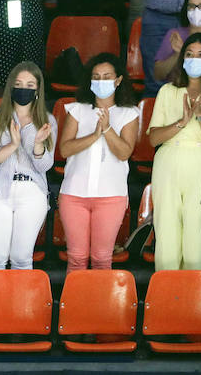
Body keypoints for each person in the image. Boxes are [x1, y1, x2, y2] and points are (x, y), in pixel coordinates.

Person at [147, 32, 201, 270]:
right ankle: (166, 296)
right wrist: (181, 123)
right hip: (168, 164)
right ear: (182, 59)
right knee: (166, 233)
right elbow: (154, 139)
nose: (194, 59)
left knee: (197, 234)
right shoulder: (167, 91)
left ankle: (192, 300)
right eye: (189, 54)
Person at [58, 53, 141, 270]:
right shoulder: (77, 110)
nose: (101, 81)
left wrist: (107, 129)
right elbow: (65, 149)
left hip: (110, 195)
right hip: (74, 193)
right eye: (96, 76)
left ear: (118, 80)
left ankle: (99, 305)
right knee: (76, 257)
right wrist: (93, 136)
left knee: (102, 258)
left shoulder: (128, 113)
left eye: (106, 77)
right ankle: (74, 304)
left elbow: (124, 153)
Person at [0, 62, 56, 271]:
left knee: (22, 258)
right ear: (11, 87)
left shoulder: (47, 121)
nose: (24, 88)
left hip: (31, 192)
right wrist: (13, 145)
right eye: (19, 83)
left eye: (30, 84)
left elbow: (45, 166)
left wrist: (39, 144)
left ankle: (20, 304)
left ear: (37, 90)